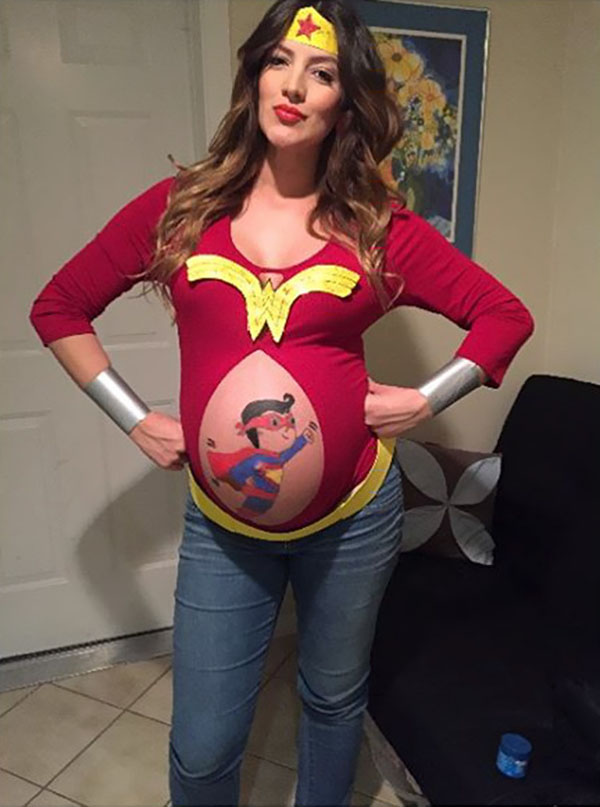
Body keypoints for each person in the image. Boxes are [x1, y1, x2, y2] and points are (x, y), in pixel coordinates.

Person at [29, 1, 534, 804]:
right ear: (255, 76)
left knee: (332, 699)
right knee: (203, 745)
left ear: (346, 102)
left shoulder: (378, 229)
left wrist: (424, 398)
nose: (294, 86)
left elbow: (504, 317)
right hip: (224, 530)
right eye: (279, 61)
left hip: (356, 518)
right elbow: (59, 307)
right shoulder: (181, 209)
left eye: (322, 72)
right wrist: (135, 418)